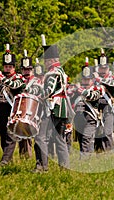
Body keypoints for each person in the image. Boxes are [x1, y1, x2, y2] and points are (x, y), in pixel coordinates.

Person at [42, 40, 71, 168]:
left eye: (46, 60)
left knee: (43, 137)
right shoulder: (61, 70)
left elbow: (49, 90)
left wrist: (39, 96)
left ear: (51, 60)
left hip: (55, 108)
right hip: (62, 109)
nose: (45, 63)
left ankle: (42, 166)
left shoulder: (53, 72)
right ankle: (64, 165)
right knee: (60, 139)